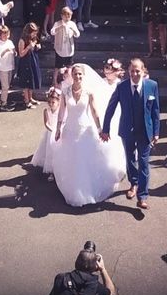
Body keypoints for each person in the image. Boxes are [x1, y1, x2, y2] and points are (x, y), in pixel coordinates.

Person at [54, 64, 125, 207]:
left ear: (83, 76)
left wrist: (100, 129)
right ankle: (73, 187)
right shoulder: (65, 91)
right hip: (70, 129)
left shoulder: (89, 92)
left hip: (85, 129)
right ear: (71, 75)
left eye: (80, 74)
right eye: (75, 74)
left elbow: (94, 111)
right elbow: (62, 110)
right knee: (72, 159)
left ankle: (86, 188)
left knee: (85, 159)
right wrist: (58, 128)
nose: (78, 77)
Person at [101, 58, 160, 209]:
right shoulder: (122, 87)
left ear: (143, 71)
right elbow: (111, 107)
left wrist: (156, 132)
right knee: (130, 158)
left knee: (144, 162)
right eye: (132, 71)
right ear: (128, 72)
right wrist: (105, 129)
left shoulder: (152, 86)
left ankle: (143, 196)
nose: (134, 74)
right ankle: (133, 183)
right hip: (127, 130)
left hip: (145, 131)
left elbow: (155, 111)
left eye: (137, 71)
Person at [31, 87, 61, 181]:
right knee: (50, 152)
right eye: (50, 102)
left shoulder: (60, 111)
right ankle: (51, 172)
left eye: (53, 102)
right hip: (50, 133)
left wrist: (58, 130)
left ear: (58, 102)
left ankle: (59, 171)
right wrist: (52, 130)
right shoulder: (46, 111)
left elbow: (62, 121)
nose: (51, 104)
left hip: (59, 132)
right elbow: (46, 123)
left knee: (59, 152)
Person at [51, 7, 80, 87]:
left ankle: (69, 82)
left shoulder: (72, 24)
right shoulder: (58, 23)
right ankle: (55, 82)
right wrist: (60, 27)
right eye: (65, 16)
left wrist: (73, 30)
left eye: (69, 16)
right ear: (62, 16)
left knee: (69, 66)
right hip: (60, 48)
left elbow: (77, 34)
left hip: (69, 48)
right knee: (57, 66)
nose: (67, 18)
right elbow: (52, 32)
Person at [17, 22, 43, 108]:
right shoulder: (22, 40)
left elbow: (33, 49)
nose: (35, 34)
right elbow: (21, 54)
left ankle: (31, 98)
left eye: (36, 32)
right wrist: (28, 47)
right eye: (33, 32)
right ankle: (26, 100)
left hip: (32, 61)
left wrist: (37, 47)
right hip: (25, 63)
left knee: (31, 81)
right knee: (26, 82)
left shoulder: (33, 39)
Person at [0, 24, 16, 111]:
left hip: (10, 66)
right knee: (5, 86)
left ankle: (5, 100)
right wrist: (5, 51)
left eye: (7, 33)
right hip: (2, 68)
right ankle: (3, 103)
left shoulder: (10, 42)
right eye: (4, 34)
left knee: (8, 85)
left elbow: (14, 51)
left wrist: (14, 52)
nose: (6, 36)